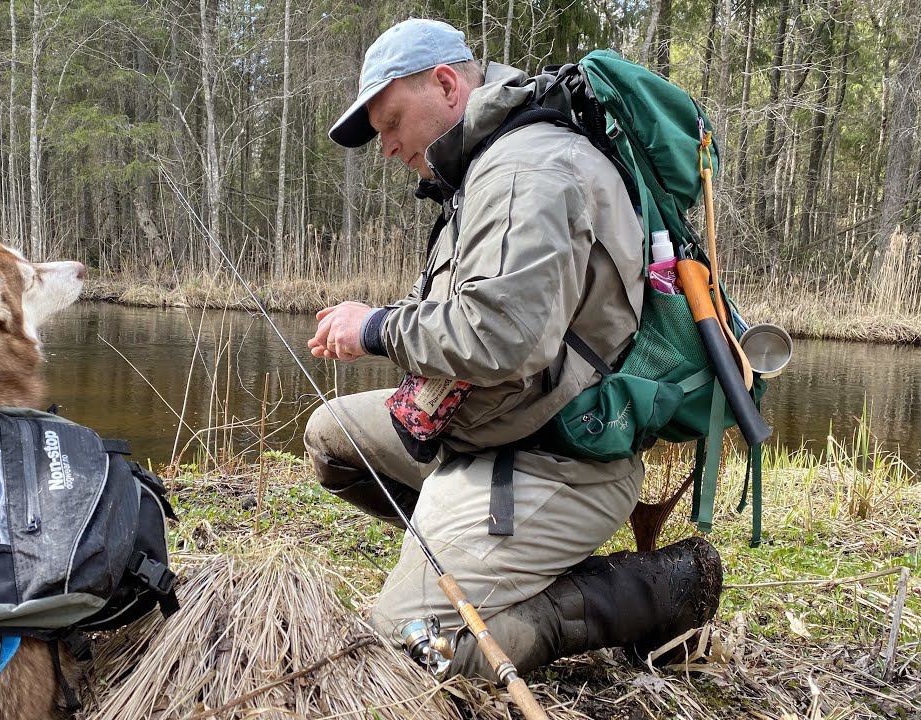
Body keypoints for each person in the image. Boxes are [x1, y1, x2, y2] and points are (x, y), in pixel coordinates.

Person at [304, 18, 723, 680]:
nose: (387, 147)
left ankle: (641, 595)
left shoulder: (527, 169)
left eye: (391, 123)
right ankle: (472, 554)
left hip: (552, 461)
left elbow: (502, 338)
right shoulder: (485, 164)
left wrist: (377, 327)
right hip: (487, 431)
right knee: (332, 436)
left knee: (412, 652)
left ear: (446, 84)